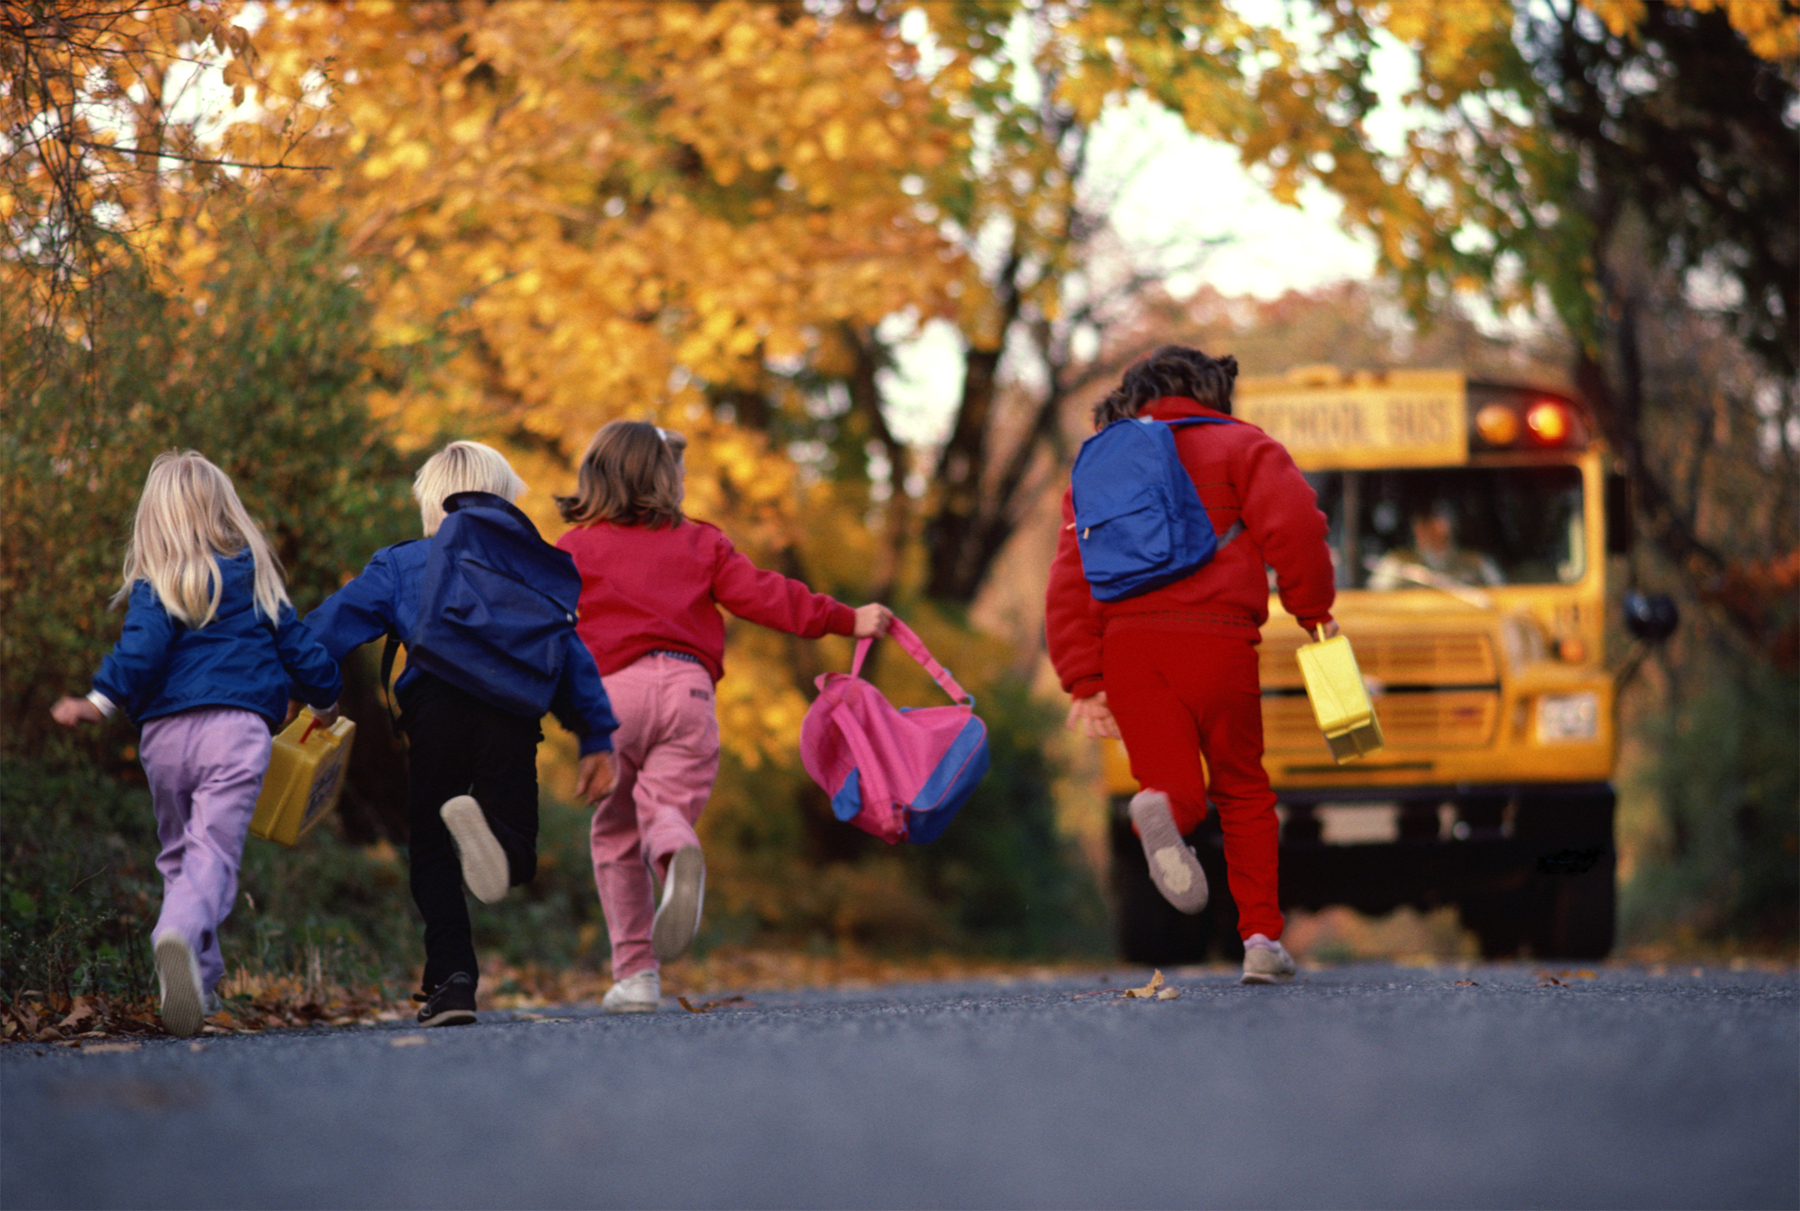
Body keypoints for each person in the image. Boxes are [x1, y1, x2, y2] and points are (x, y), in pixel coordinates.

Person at [555, 420, 894, 1013]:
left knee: (614, 832)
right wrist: (847, 618)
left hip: (612, 698)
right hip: (688, 693)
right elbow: (770, 596)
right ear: (667, 479)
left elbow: (535, 623)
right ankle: (675, 848)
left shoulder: (575, 549)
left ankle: (635, 975)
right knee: (666, 811)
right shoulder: (702, 542)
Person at [1044, 346, 1338, 984]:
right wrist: (1312, 610)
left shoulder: (1098, 468)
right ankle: (1261, 939)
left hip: (1131, 652)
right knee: (1242, 788)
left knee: (1174, 787)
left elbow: (1070, 578)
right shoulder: (1244, 447)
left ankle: (1163, 815)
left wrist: (1084, 680)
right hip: (1219, 642)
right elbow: (1297, 529)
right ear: (1213, 391)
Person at [304, 441, 619, 1027]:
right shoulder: (528, 569)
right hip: (510, 713)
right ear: (503, 500)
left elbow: (324, 632)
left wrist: (295, 687)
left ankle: (453, 982)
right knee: (516, 845)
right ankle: (499, 845)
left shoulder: (402, 563)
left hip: (434, 709)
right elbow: (570, 657)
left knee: (430, 848)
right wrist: (596, 737)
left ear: (430, 503)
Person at [50, 450, 344, 1037]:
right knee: (213, 852)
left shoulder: (155, 583)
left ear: (153, 518)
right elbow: (303, 651)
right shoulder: (256, 577)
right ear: (225, 510)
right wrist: (326, 701)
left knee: (180, 855)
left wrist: (99, 700)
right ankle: (177, 936)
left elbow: (140, 652)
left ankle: (199, 984)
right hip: (235, 733)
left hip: (164, 738)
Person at [1367, 498, 1503, 591]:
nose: (1443, 528)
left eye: (1443, 521)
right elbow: (1374, 601)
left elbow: (1502, 596)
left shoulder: (1476, 564)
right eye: (1423, 524)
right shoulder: (1397, 564)